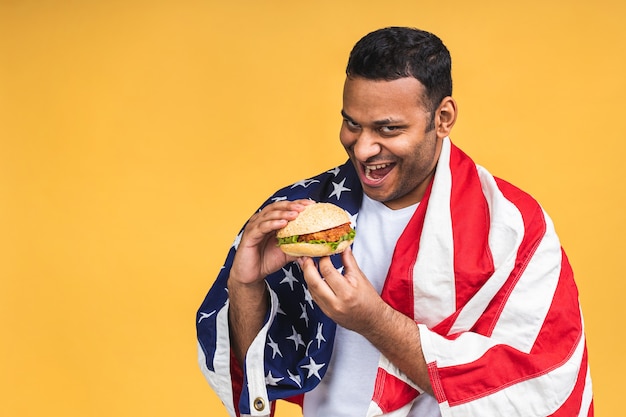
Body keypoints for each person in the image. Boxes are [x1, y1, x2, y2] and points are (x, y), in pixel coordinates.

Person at [197, 27, 594, 417]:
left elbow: (533, 384)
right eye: (353, 124)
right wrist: (244, 285)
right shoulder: (303, 213)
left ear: (442, 117)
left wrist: (373, 320)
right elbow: (260, 379)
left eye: (388, 129)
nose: (365, 148)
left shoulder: (513, 227)